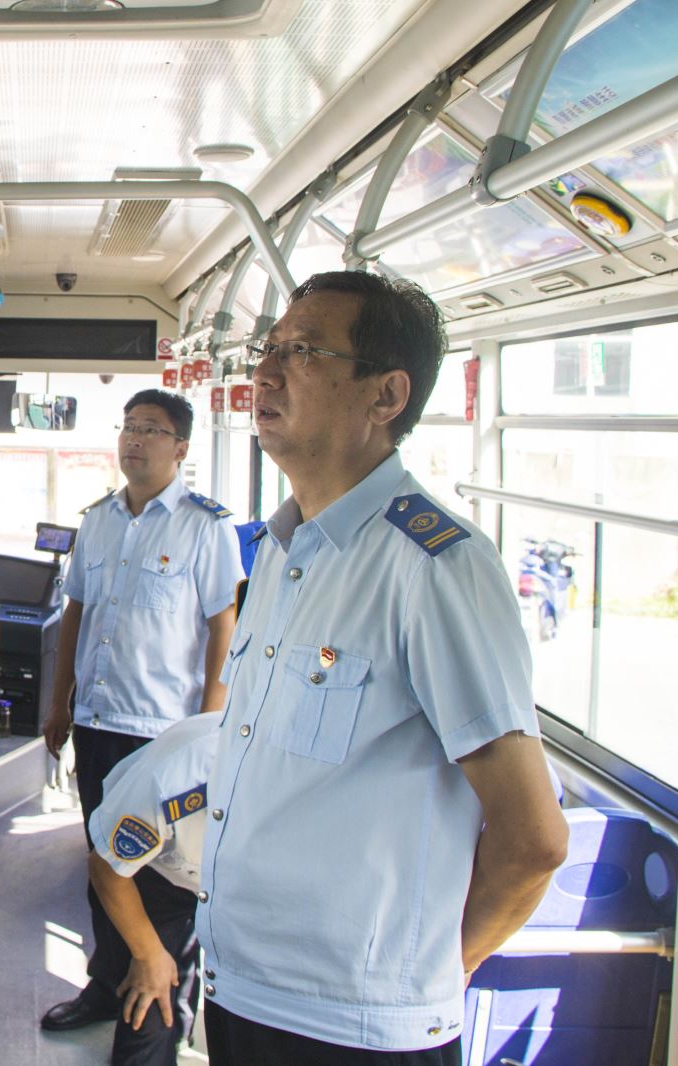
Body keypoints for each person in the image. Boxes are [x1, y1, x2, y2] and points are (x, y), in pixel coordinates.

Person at [196, 272, 569, 1064]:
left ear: (386, 395)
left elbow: (533, 837)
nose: (266, 373)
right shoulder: (282, 551)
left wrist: (431, 976)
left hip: (355, 1028)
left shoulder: (434, 568)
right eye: (268, 349)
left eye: (303, 352)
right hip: (240, 988)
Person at [40, 388, 243, 1050]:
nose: (133, 439)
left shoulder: (204, 527)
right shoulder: (98, 520)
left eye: (150, 429)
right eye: (128, 427)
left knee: (161, 886)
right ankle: (105, 985)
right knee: (102, 861)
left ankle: (156, 1016)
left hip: (165, 736)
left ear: (180, 448)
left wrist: (208, 730)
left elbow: (223, 626)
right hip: (98, 720)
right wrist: (59, 701)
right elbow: (76, 612)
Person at [86, 712, 224, 1066]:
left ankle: (180, 1034)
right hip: (158, 871)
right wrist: (148, 955)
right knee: (149, 1001)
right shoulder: (181, 776)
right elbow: (106, 868)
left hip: (233, 889)